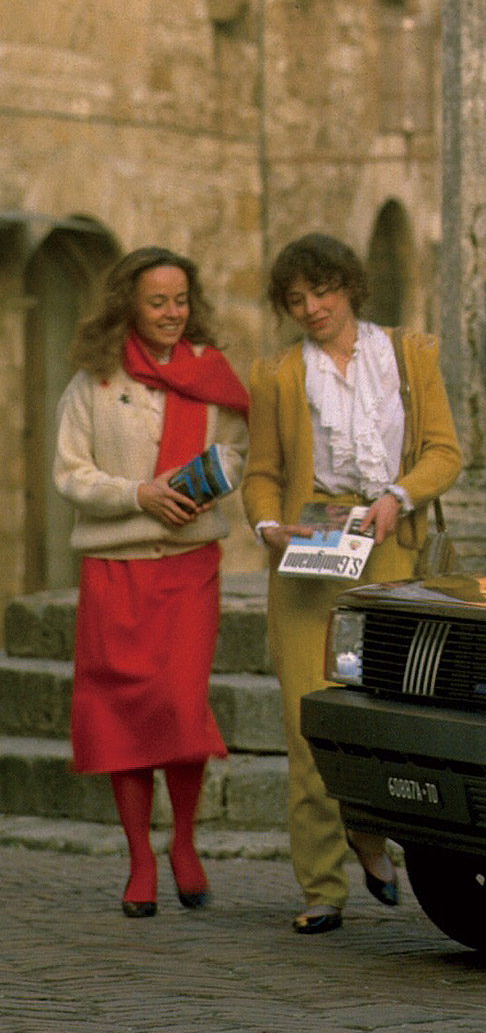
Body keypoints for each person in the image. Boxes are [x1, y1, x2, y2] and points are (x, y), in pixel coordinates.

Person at [242, 232, 462, 933]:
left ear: (350, 287)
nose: (311, 307)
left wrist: (399, 494)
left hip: (390, 551)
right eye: (296, 299)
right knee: (309, 723)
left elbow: (444, 451)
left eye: (322, 291)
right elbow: (262, 475)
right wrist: (268, 528)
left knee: (386, 721)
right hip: (310, 560)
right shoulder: (278, 375)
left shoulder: (409, 354)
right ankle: (322, 887)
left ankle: (371, 830)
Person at [53, 247, 250, 918]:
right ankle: (140, 858)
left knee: (179, 704)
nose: (171, 313)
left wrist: (204, 485)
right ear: (129, 306)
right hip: (118, 567)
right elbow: (69, 472)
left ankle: (185, 842)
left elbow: (241, 454)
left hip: (190, 565)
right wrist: (140, 493)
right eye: (157, 301)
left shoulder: (213, 375)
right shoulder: (92, 381)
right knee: (123, 715)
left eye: (180, 300)